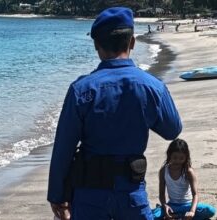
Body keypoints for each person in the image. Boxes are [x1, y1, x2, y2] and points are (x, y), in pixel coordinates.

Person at [47, 7, 182, 220]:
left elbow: (63, 147)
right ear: (132, 43)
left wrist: (57, 195)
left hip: (88, 194)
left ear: (96, 46)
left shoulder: (81, 90)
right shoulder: (152, 87)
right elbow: (172, 129)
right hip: (131, 192)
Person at [152, 139, 215, 220]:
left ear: (186, 157)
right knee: (151, 216)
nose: (178, 161)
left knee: (210, 210)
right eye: (175, 157)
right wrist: (164, 206)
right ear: (169, 154)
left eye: (181, 158)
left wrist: (192, 211)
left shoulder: (188, 171)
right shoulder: (163, 171)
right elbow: (161, 194)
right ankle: (178, 216)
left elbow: (195, 194)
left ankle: (177, 216)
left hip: (187, 205)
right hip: (172, 206)